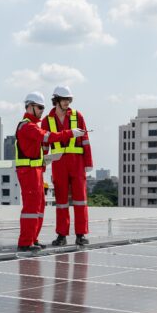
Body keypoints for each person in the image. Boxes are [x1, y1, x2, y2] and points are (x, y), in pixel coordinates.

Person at [15, 92, 75, 251]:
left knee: (39, 206)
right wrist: (70, 133)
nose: (42, 110)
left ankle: (33, 239)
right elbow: (48, 137)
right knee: (31, 207)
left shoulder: (32, 126)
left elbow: (36, 149)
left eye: (43, 107)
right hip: (28, 172)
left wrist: (45, 160)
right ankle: (25, 242)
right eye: (39, 107)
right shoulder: (27, 126)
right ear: (30, 106)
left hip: (36, 170)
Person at [45, 85, 91, 246]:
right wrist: (44, 162)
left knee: (80, 200)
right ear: (56, 100)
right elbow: (44, 144)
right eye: (64, 99)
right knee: (61, 201)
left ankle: (81, 234)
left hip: (77, 162)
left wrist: (88, 162)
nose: (67, 102)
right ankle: (61, 235)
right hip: (58, 163)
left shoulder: (78, 116)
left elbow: (85, 140)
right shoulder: (47, 120)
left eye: (69, 99)